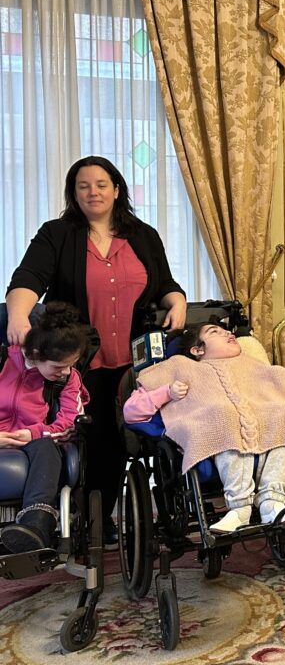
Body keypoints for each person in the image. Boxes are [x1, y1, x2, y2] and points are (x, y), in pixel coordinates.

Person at [6, 156, 186, 544]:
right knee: (93, 438)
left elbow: (164, 284)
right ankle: (86, 521)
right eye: (83, 186)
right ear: (74, 193)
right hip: (80, 362)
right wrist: (18, 316)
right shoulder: (58, 234)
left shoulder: (143, 235)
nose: (93, 192)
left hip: (134, 363)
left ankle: (115, 519)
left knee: (130, 439)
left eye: (101, 184)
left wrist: (178, 301)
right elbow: (28, 278)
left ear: (117, 189)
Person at [123, 323, 285, 533]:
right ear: (197, 350)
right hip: (214, 437)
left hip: (267, 436)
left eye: (227, 331)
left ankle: (272, 502)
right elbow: (131, 412)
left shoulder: (252, 365)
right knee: (225, 415)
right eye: (215, 332)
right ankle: (239, 507)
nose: (228, 333)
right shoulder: (177, 367)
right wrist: (166, 392)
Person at [0, 302, 90, 552]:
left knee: (47, 448)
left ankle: (36, 526)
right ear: (36, 353)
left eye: (71, 364)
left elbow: (70, 421)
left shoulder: (69, 379)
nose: (66, 372)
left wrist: (34, 433)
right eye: (58, 367)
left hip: (34, 440)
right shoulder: (3, 360)